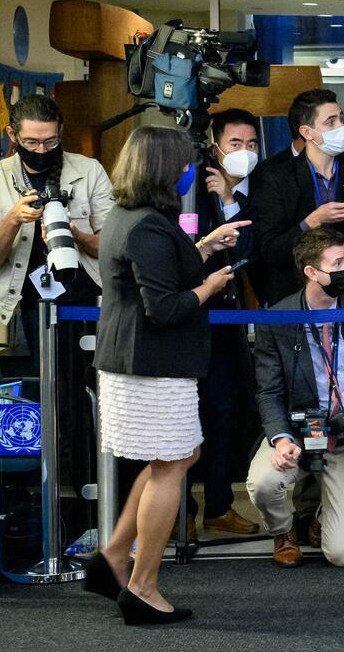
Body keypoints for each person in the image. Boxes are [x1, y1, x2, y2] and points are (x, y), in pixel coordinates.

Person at [83, 125, 250, 625]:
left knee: (174, 458)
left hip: (141, 364)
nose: (187, 172)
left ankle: (113, 556)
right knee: (171, 466)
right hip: (150, 367)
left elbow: (156, 275)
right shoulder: (148, 225)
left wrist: (201, 248)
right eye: (181, 164)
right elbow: (165, 307)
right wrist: (212, 285)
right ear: (160, 169)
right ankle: (142, 585)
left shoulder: (132, 216)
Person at [246, 228, 344, 567]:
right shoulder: (278, 318)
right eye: (337, 262)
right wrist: (280, 439)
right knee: (264, 483)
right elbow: (270, 391)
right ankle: (283, 530)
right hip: (298, 430)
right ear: (311, 272)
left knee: (343, 555)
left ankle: (318, 515)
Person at [0, 94, 114, 359]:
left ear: (60, 132)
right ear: (12, 134)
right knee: (39, 389)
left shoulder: (89, 170)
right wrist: (13, 219)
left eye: (50, 141)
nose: (41, 150)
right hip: (26, 305)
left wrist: (76, 236)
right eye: (31, 142)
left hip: (87, 300)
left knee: (89, 384)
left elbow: (113, 248)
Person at [182, 109, 263, 538]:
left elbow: (248, 251)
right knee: (184, 415)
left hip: (227, 319)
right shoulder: (187, 186)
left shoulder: (246, 194)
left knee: (224, 411)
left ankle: (217, 505)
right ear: (214, 145)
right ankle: (183, 515)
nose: (244, 152)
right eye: (235, 144)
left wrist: (230, 202)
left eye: (252, 145)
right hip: (185, 317)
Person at [256, 89, 344, 306]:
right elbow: (271, 250)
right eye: (331, 122)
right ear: (307, 132)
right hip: (298, 295)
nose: (341, 127)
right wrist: (312, 221)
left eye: (341, 119)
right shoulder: (277, 177)